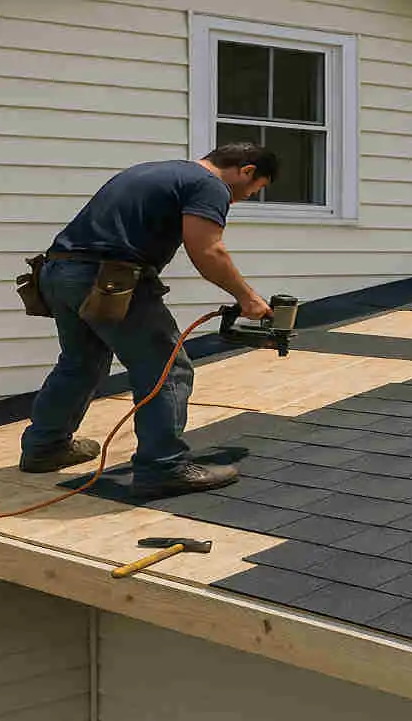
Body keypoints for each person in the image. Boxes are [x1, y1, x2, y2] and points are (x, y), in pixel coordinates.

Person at [18, 142, 278, 500]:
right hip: (108, 279)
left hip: (58, 272)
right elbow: (207, 249)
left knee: (81, 362)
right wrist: (248, 298)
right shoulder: (210, 185)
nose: (246, 197)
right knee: (167, 368)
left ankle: (44, 447)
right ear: (246, 171)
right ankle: (163, 467)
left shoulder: (159, 170)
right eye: (255, 189)